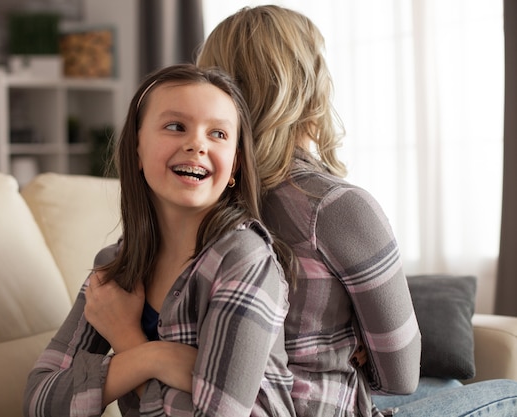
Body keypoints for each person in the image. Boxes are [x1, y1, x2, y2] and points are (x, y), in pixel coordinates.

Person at [197, 5, 517, 417]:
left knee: (448, 384)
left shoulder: (201, 199)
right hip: (315, 408)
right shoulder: (334, 207)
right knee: (510, 393)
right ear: (310, 87)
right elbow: (401, 377)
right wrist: (354, 342)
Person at [23, 63, 296, 417]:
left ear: (235, 165)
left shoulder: (245, 259)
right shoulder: (116, 266)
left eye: (218, 134)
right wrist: (156, 357)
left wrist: (126, 338)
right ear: (136, 150)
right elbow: (38, 400)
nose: (197, 144)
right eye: (175, 126)